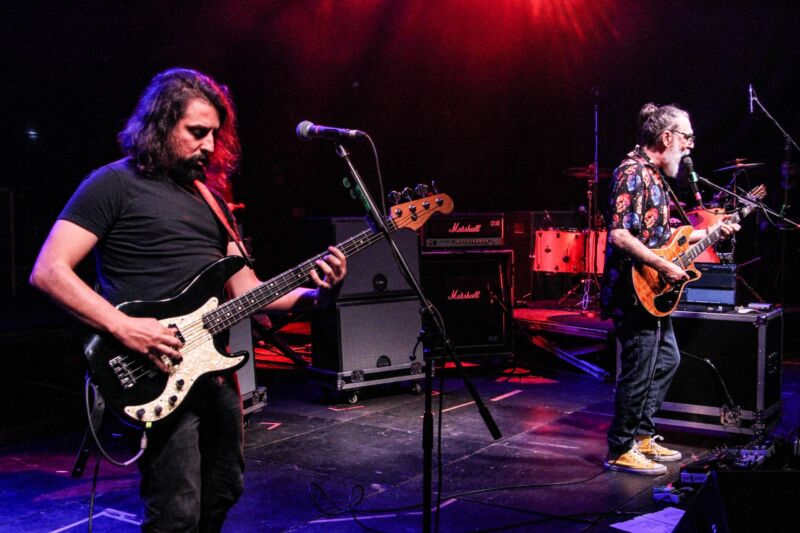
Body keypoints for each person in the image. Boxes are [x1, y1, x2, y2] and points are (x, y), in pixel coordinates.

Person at [29, 68, 347, 530]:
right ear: (160, 125)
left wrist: (320, 293)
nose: (210, 146)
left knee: (225, 487)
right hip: (153, 368)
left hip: (212, 372)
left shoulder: (212, 200)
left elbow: (249, 293)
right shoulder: (111, 184)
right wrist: (124, 327)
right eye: (197, 132)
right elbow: (49, 271)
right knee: (175, 509)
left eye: (216, 134)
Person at [600, 103, 739, 475]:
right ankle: (619, 447)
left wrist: (712, 231)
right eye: (687, 137)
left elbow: (667, 238)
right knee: (639, 367)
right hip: (633, 288)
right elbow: (620, 235)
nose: (691, 146)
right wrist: (663, 266)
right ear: (666, 137)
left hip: (653, 290)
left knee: (666, 360)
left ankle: (642, 435)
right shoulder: (632, 173)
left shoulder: (656, 177)